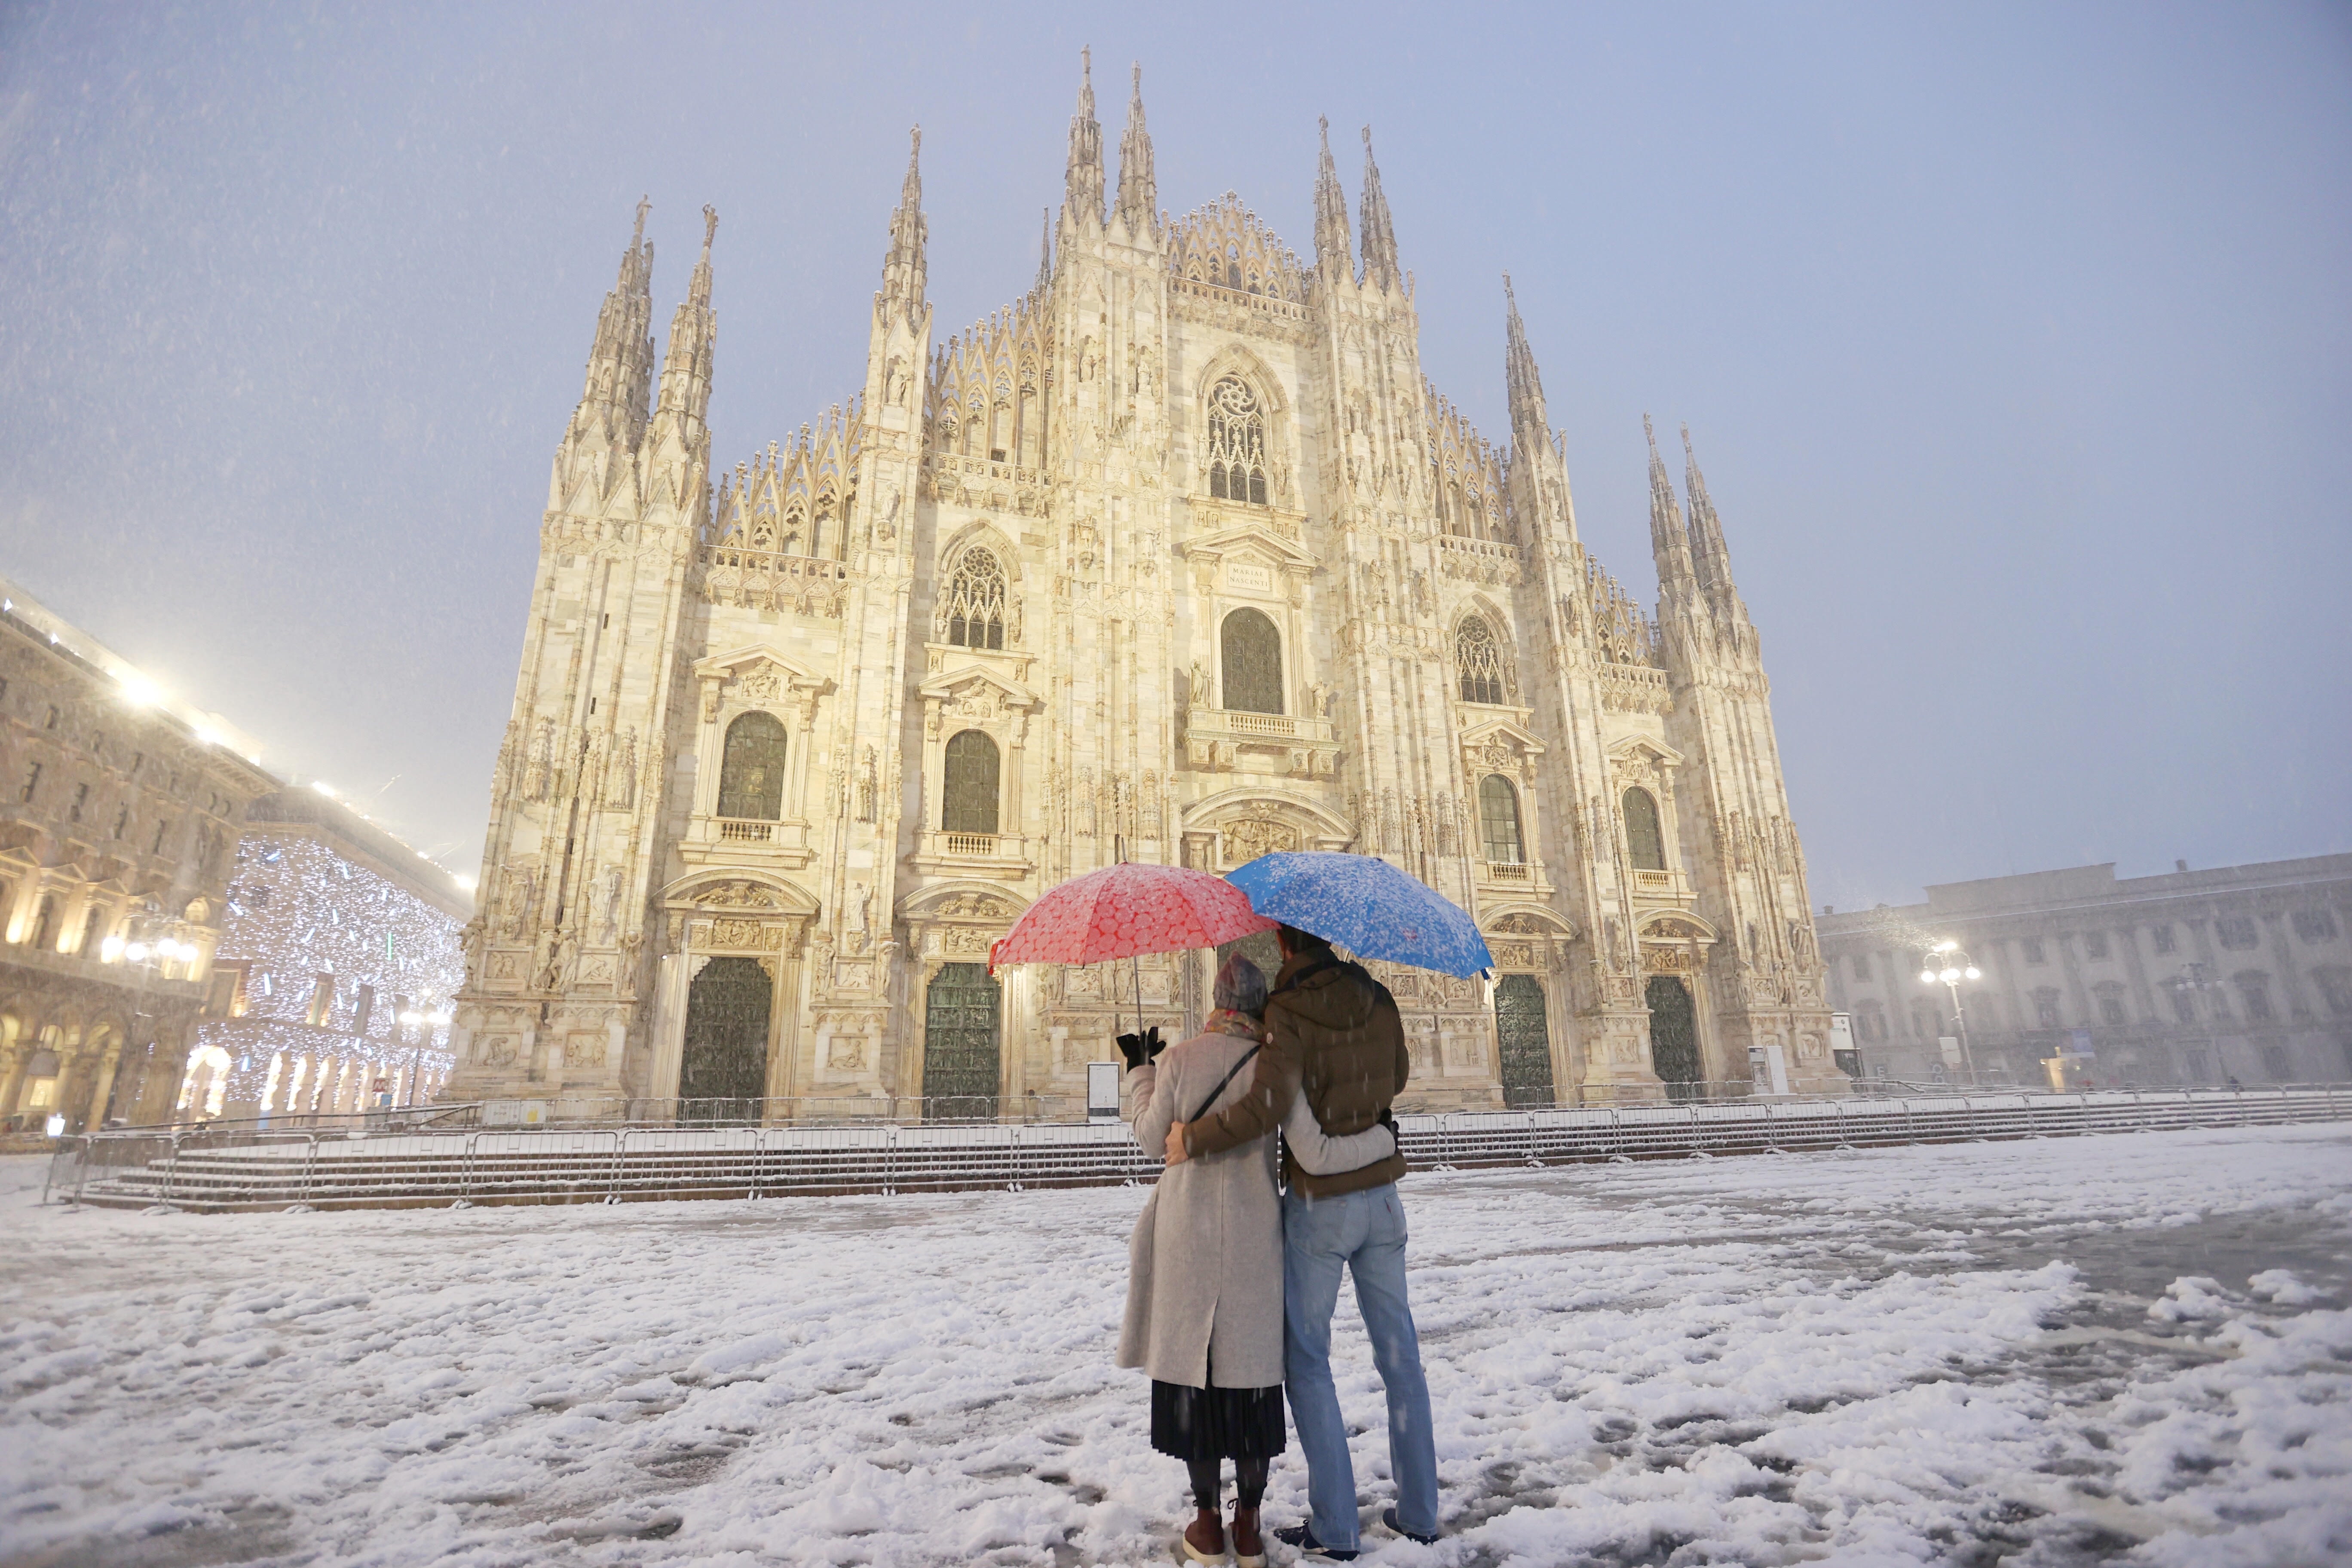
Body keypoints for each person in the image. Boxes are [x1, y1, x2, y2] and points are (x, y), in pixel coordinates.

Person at [1167, 924, 1439, 1559]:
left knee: (1308, 1363)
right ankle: (1422, 1512)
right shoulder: (1377, 995)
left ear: (1285, 947)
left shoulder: (1285, 1010)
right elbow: (1397, 1076)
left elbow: (1266, 1106)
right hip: (1382, 1200)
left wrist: (1194, 1138)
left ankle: (1337, 1527)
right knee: (1401, 1357)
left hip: (1322, 1206)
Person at [1120, 955, 1396, 1567]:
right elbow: (1314, 1154)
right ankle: (1249, 1528)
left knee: (1194, 1375)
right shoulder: (1275, 1065)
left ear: (1215, 999)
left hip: (1186, 1236)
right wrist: (1381, 1137)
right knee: (1248, 1385)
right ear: (1257, 1003)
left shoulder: (1180, 1058)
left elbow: (1148, 1138)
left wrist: (1140, 1071)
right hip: (1253, 1240)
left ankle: (1206, 1525)